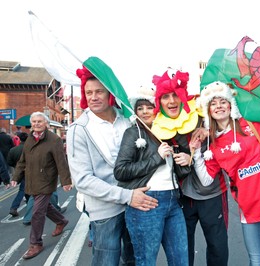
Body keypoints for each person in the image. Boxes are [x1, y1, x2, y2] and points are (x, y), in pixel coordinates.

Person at [189, 81, 260, 266]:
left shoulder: (254, 123)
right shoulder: (213, 145)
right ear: (208, 110)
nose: (219, 106)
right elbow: (205, 179)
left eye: (222, 101)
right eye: (213, 103)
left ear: (230, 103)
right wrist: (195, 152)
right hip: (249, 208)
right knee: (257, 262)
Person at [67, 58, 158, 266]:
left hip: (136, 203)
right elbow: (82, 180)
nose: (93, 97)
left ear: (109, 93)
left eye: (99, 91)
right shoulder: (79, 129)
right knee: (106, 262)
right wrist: (126, 196)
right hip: (105, 211)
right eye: (89, 93)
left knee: (135, 260)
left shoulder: (128, 119)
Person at [151, 69, 229, 266]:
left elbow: (228, 123)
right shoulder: (158, 125)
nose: (171, 101)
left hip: (212, 194)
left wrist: (207, 129)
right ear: (159, 102)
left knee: (217, 246)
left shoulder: (202, 113)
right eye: (165, 97)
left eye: (175, 95)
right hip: (182, 196)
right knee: (182, 249)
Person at [114, 86, 188, 266]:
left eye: (149, 107)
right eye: (140, 108)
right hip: (148, 201)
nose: (145, 112)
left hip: (173, 199)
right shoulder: (133, 133)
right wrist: (158, 158)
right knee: (146, 260)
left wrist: (187, 158)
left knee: (181, 259)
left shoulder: (169, 131)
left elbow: (181, 163)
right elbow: (121, 170)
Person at [11, 112, 72, 260]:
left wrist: (66, 181)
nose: (36, 124)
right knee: (45, 207)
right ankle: (61, 221)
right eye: (34, 122)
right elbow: (22, 161)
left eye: (39, 121)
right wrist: (16, 177)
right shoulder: (30, 139)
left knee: (37, 212)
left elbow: (61, 161)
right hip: (32, 180)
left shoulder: (55, 140)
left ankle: (36, 243)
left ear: (46, 123)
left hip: (46, 181)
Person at [7, 132, 29, 217]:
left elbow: (9, 162)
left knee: (25, 188)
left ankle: (28, 203)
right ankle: (14, 207)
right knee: (23, 190)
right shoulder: (29, 149)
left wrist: (16, 167)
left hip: (18, 172)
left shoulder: (13, 150)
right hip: (28, 171)